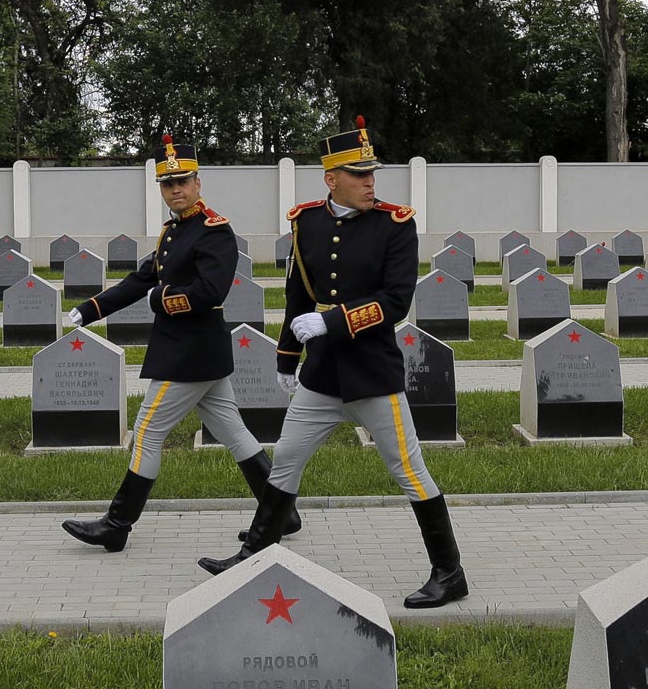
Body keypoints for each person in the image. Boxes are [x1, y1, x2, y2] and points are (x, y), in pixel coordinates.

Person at [198, 116, 468, 609]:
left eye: (372, 173)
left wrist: (333, 323)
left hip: (371, 373)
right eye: (359, 174)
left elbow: (396, 301)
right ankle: (255, 553)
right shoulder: (306, 222)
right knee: (285, 461)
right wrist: (286, 356)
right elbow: (298, 293)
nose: (370, 182)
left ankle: (450, 573)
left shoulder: (396, 225)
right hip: (321, 375)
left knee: (408, 470)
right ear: (331, 179)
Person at [60, 136, 299, 551]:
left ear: (198, 183)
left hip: (188, 354)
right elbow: (141, 279)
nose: (176, 189)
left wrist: (160, 300)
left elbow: (211, 290)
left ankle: (117, 524)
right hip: (201, 354)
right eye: (168, 184)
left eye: (183, 182)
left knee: (148, 432)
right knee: (236, 434)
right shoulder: (174, 232)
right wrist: (92, 308)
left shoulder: (214, 231)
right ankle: (283, 514)